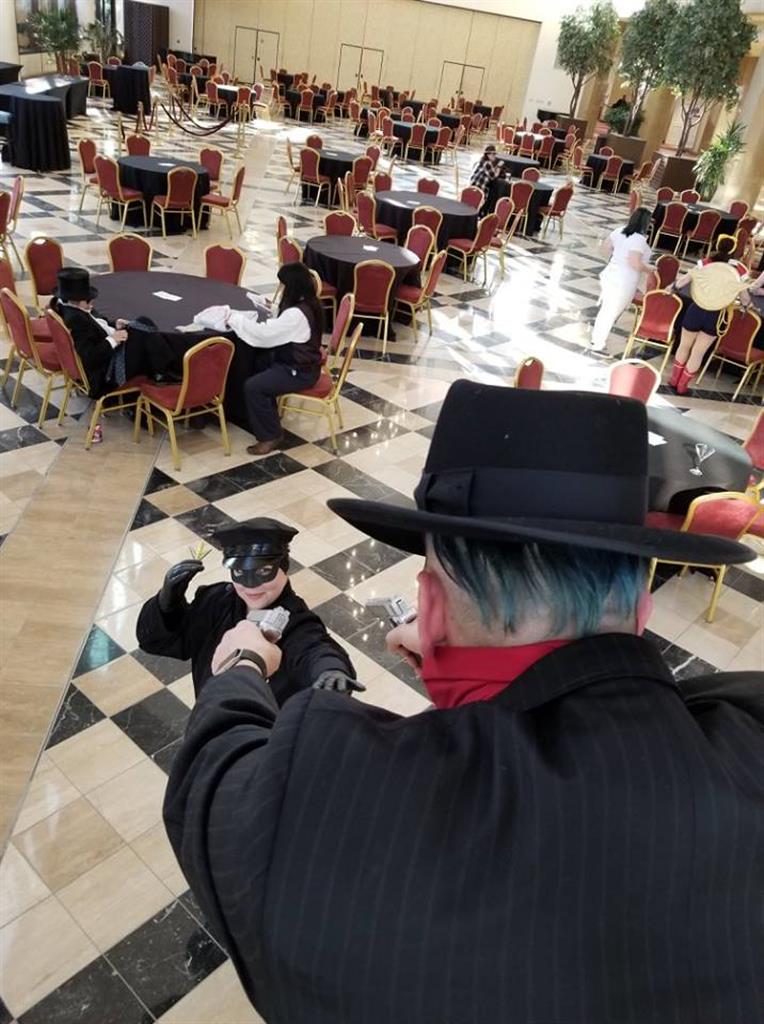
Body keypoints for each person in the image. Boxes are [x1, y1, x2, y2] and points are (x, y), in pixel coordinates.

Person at [163, 382, 762, 1024]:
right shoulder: (749, 724)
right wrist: (482, 681)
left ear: (430, 606)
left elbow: (211, 779)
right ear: (642, 609)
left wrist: (243, 664)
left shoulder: (330, 800)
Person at [137, 516, 360, 703]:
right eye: (240, 573)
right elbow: (156, 642)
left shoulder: (296, 620)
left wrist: (330, 669)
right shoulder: (214, 601)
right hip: (210, 723)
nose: (251, 586)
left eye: (263, 572)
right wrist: (167, 603)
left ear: (284, 567)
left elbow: (313, 647)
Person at [195, 263, 323, 456]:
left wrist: (234, 319)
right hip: (296, 362)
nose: (281, 289)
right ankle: (250, 413)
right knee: (253, 364)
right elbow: (282, 327)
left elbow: (263, 335)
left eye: (283, 285)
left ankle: (270, 435)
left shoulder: (297, 314)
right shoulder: (310, 303)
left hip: (299, 371)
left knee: (254, 386)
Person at [53, 267, 178, 398]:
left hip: (110, 354)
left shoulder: (72, 308)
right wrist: (113, 339)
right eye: (88, 299)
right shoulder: (77, 320)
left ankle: (162, 369)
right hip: (108, 372)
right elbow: (90, 357)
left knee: (143, 328)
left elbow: (100, 323)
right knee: (144, 329)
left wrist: (115, 325)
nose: (92, 302)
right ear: (76, 301)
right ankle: (165, 369)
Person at [668, 235, 751, 393]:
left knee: (684, 345)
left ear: (717, 246)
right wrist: (747, 306)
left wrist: (672, 288)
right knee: (698, 353)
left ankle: (673, 380)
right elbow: (744, 297)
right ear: (734, 249)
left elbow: (683, 281)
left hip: (696, 309)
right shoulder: (739, 269)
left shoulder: (705, 263)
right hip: (716, 315)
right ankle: (682, 386)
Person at [590, 207, 654, 353]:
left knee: (608, 308)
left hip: (611, 273)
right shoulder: (638, 239)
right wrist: (649, 269)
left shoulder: (619, 230)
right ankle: (598, 343)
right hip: (625, 280)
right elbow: (635, 262)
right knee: (611, 311)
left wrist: (617, 257)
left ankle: (598, 338)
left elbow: (605, 247)